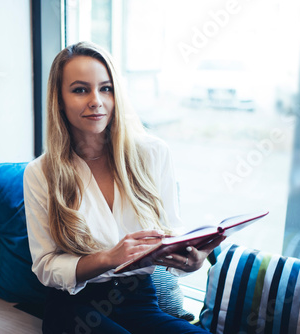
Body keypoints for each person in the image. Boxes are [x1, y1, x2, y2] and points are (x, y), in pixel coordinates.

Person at [23, 41, 223, 334]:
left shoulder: (153, 153)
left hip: (139, 299)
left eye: (106, 88)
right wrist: (108, 258)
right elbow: (46, 267)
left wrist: (191, 261)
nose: (96, 100)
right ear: (59, 100)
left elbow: (170, 232)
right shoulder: (41, 172)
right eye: (80, 90)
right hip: (74, 306)